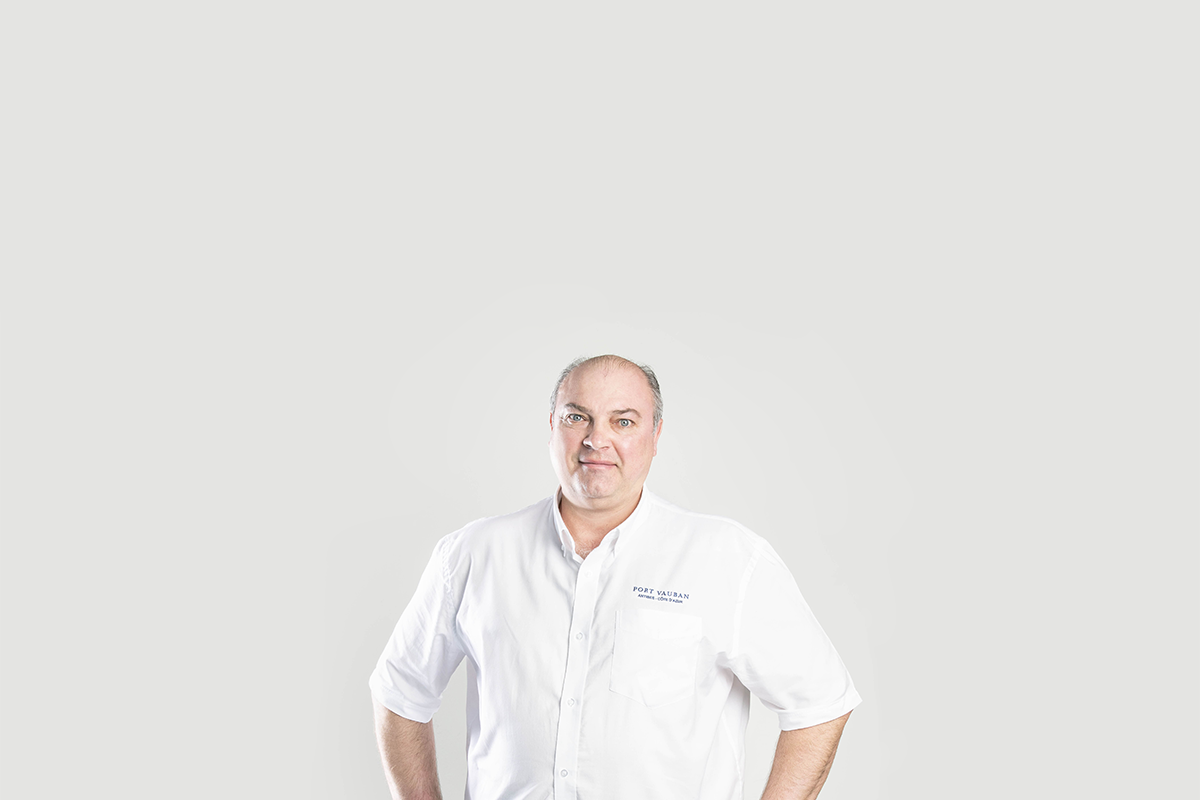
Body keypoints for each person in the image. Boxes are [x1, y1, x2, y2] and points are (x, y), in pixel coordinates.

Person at [370, 355, 862, 799]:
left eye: (623, 421)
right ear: (552, 426)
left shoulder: (727, 558)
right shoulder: (474, 553)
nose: (595, 439)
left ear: (656, 435)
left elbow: (820, 704)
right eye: (577, 417)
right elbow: (399, 691)